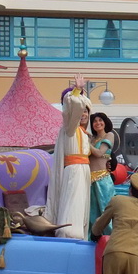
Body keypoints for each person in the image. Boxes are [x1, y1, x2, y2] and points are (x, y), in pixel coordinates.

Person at [45, 76, 92, 239]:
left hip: (83, 171)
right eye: (81, 110)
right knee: (73, 203)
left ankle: (78, 233)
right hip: (74, 171)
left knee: (81, 205)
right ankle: (69, 233)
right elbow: (72, 108)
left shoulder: (83, 132)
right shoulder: (70, 128)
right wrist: (77, 91)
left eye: (86, 110)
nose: (84, 113)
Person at [88, 112, 117, 234]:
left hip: (103, 179)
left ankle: (111, 237)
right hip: (90, 180)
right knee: (92, 213)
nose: (97, 123)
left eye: (100, 120)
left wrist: (85, 143)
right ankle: (94, 236)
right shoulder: (92, 139)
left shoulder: (109, 135)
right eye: (94, 121)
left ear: (105, 122)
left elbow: (100, 153)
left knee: (106, 210)